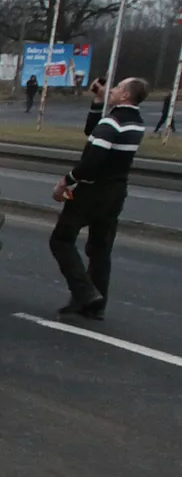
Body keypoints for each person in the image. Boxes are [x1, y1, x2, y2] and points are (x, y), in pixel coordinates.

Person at [48, 76, 149, 320]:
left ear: (125, 96)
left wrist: (67, 180)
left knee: (61, 240)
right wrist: (98, 100)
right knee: (100, 248)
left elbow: (93, 161)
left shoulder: (112, 123)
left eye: (117, 88)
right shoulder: (135, 122)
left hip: (92, 191)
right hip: (116, 193)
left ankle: (85, 293)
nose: (111, 89)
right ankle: (96, 304)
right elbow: (93, 132)